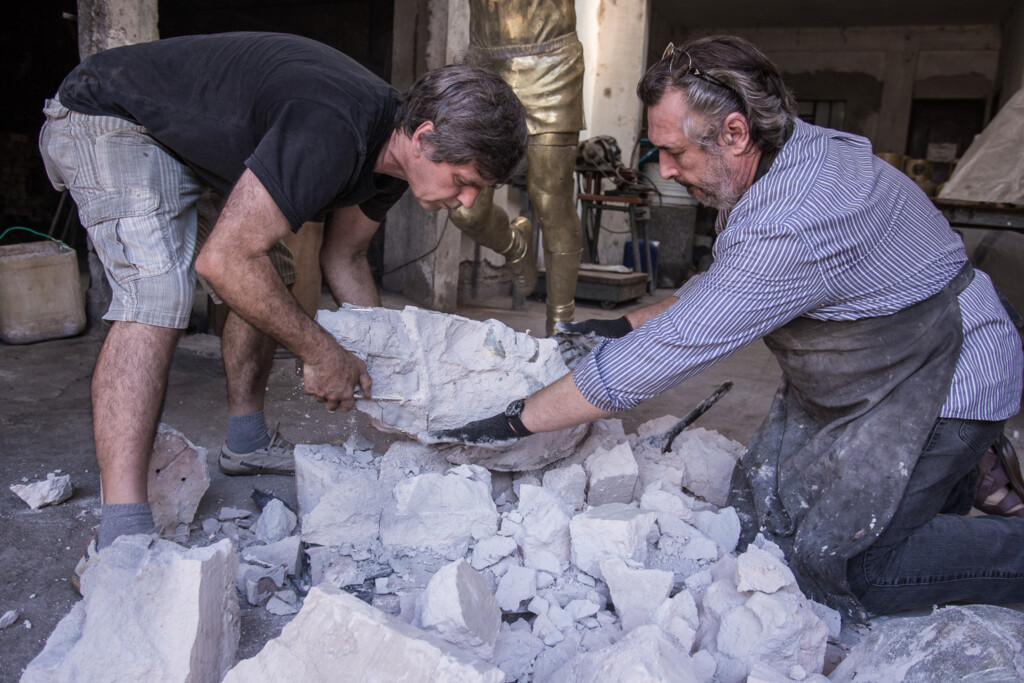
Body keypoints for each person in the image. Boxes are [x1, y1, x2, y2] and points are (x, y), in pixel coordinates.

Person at [433, 35, 1024, 622]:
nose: (662, 169)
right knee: (768, 510)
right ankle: (947, 486)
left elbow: (662, 358)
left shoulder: (796, 219)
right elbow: (723, 289)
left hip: (945, 375)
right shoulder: (784, 155)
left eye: (674, 153)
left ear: (735, 132)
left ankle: (984, 516)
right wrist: (621, 322)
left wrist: (515, 420)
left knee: (847, 565)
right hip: (882, 363)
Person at [38, 31, 527, 580]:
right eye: (463, 181)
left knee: (273, 275)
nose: (467, 201)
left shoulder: (391, 163)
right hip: (112, 116)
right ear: (424, 137)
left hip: (187, 144)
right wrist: (322, 352)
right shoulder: (333, 126)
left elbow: (345, 257)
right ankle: (121, 535)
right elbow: (223, 262)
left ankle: (245, 444)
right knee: (159, 291)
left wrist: (395, 367)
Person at [450, 0, 585, 337]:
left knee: (551, 201)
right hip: (484, 63)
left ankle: (561, 327)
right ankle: (515, 245)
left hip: (551, 59)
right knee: (465, 212)